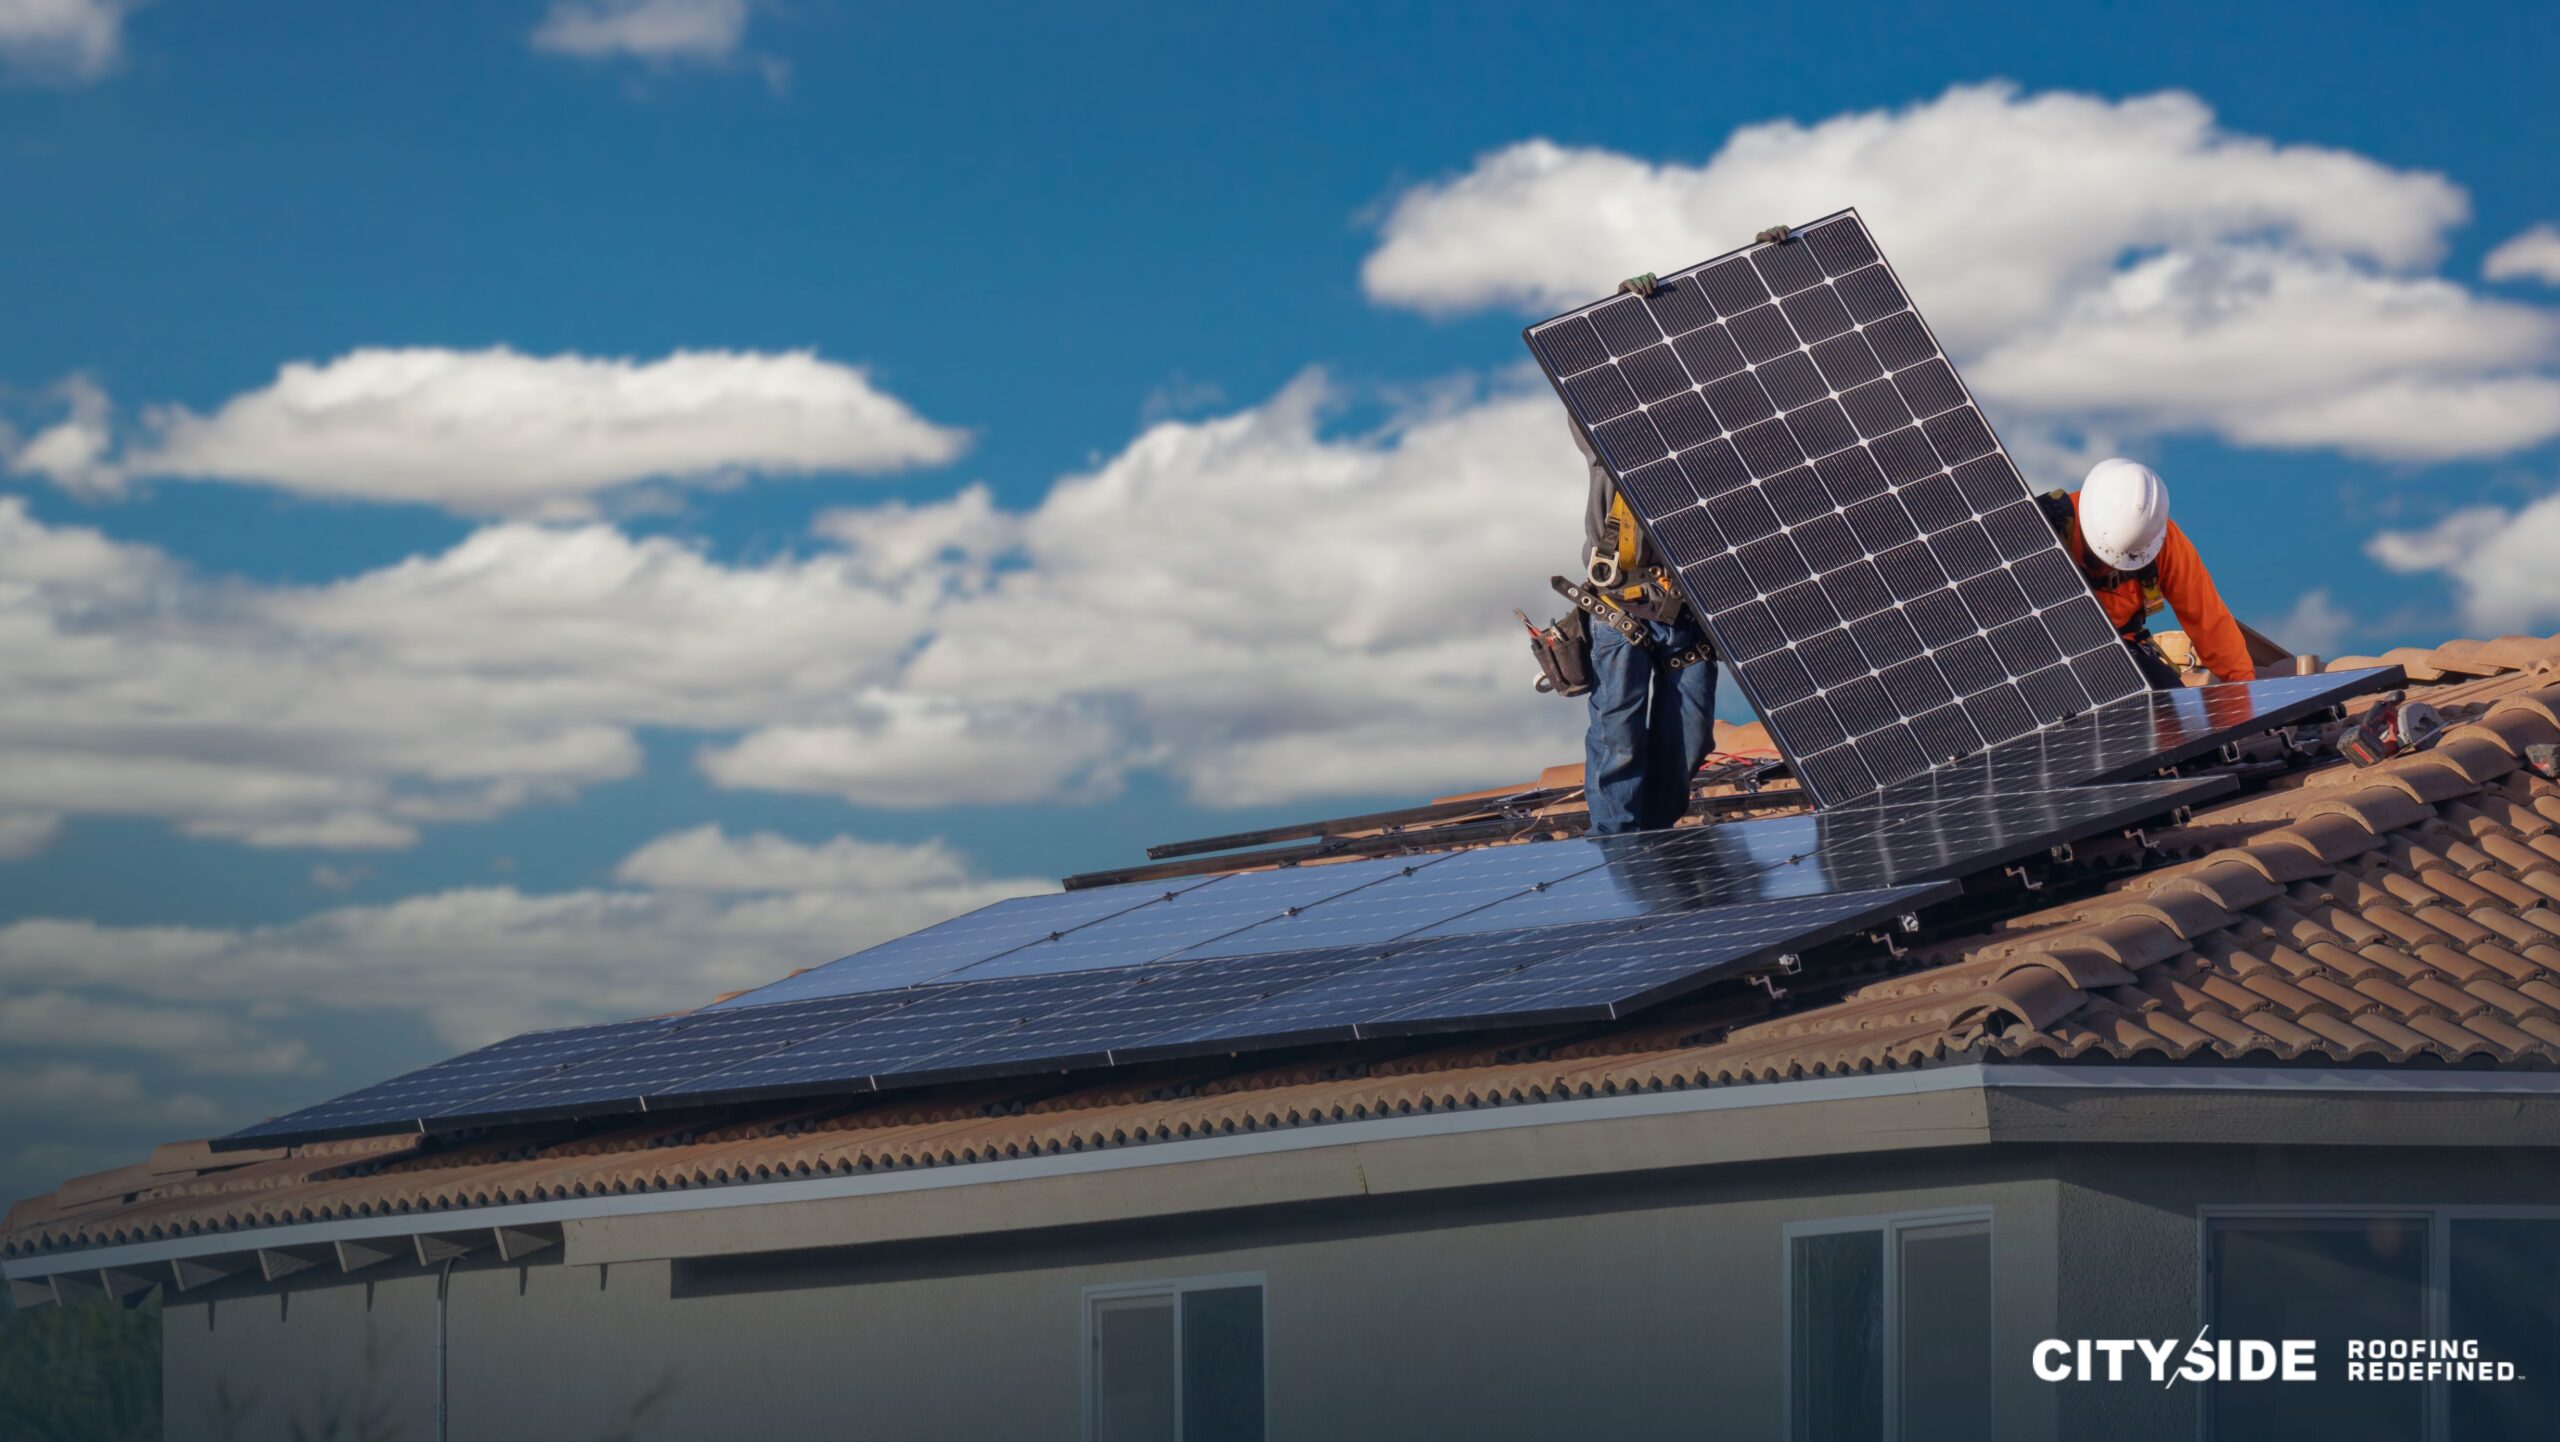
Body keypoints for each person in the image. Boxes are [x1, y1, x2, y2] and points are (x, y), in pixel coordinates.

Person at [1573, 416, 1718, 835]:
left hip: (1687, 617)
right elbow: (1588, 409)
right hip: (1621, 612)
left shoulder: (1709, 448)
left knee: (1691, 740)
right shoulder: (1611, 440)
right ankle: (1619, 845)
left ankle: (1654, 838)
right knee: (1619, 741)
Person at [2048, 458, 2254, 689]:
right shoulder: (2038, 528)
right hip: (2041, 651)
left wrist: (2244, 690)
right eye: (2102, 558)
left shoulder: (2164, 542)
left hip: (2119, 655)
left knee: (2166, 703)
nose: (2112, 568)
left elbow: (2209, 621)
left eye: (2128, 562)